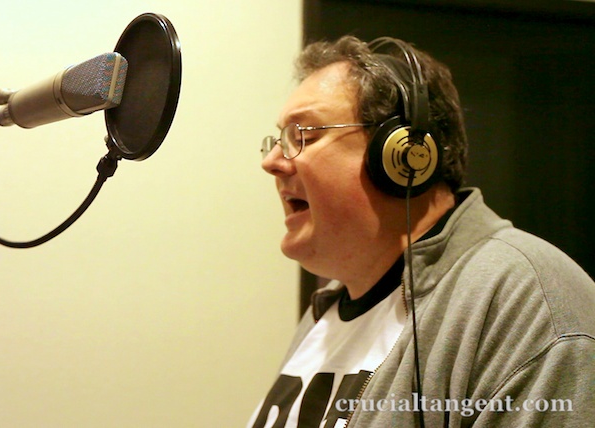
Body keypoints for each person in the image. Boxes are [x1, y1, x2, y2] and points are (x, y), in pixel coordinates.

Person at [248, 35, 595, 428]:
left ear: (403, 157)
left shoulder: (524, 303)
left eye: (304, 136)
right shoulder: (328, 312)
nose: (273, 162)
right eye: (278, 141)